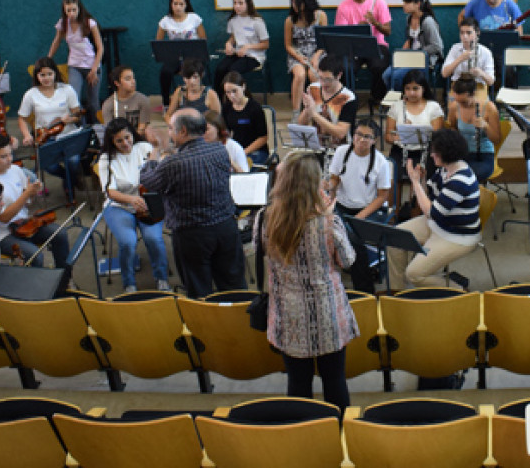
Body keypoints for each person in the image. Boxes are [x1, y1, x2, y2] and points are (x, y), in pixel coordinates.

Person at [257, 151, 358, 411]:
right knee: (334, 380)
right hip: (327, 313)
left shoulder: (264, 219)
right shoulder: (327, 222)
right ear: (315, 183)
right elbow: (348, 261)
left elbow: (263, 253)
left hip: (287, 313)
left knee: (298, 382)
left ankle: (303, 434)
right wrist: (329, 216)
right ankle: (338, 434)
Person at [140, 108, 245, 299]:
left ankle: (205, 327)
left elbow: (148, 181)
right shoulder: (220, 150)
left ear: (183, 132)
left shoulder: (173, 163)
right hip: (226, 228)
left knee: (199, 290)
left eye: (171, 128)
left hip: (192, 235)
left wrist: (156, 149)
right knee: (234, 285)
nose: (169, 132)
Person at [388, 128, 481, 290]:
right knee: (393, 239)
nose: (432, 155)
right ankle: (397, 293)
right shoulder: (446, 169)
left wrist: (415, 182)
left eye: (435, 152)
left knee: (414, 274)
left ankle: (459, 291)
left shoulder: (460, 180)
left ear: (447, 154)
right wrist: (422, 179)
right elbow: (429, 196)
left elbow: (432, 213)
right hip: (439, 225)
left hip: (457, 236)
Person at [98, 119, 170, 292]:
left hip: (148, 203)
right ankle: (129, 283)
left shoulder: (144, 148)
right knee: (128, 242)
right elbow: (110, 192)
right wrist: (131, 200)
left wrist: (157, 148)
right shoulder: (106, 159)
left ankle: (162, 278)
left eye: (127, 137)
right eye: (119, 141)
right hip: (118, 206)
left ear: (133, 135)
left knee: (154, 239)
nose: (125, 143)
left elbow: (159, 174)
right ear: (112, 142)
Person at [0, 134, 70, 270]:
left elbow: (27, 202)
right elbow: (4, 218)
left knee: (60, 234)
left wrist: (33, 194)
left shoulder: (16, 170)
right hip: (4, 234)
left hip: (25, 224)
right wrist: (27, 194)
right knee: (35, 255)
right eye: (3, 157)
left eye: (10, 154)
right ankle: (36, 287)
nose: (9, 159)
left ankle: (64, 278)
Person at [328, 120, 393, 293]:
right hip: (342, 206)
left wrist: (360, 217)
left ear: (374, 140)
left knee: (353, 239)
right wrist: (329, 189)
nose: (361, 140)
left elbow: (382, 196)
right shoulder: (341, 152)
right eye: (358, 135)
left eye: (367, 137)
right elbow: (335, 178)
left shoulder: (381, 162)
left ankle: (364, 290)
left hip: (369, 209)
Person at [18, 57, 85, 190]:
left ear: (55, 73)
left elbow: (77, 115)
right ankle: (70, 179)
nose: (46, 78)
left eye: (50, 74)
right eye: (42, 75)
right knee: (48, 165)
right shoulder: (31, 94)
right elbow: (22, 118)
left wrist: (70, 119)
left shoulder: (67, 89)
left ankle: (69, 187)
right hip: (45, 137)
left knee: (73, 161)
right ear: (37, 76)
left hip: (68, 134)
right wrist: (27, 135)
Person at [334, 0, 392, 107]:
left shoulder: (379, 3)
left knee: (380, 66)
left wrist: (375, 23)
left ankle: (377, 98)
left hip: (376, 44)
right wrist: (357, 28)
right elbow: (341, 34)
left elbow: (388, 31)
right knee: (345, 67)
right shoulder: (343, 6)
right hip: (352, 47)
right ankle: (349, 100)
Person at [48, 0, 105, 122]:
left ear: (79, 8)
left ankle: (97, 130)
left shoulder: (89, 23)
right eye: (68, 10)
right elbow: (56, 41)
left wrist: (94, 69)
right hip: (74, 65)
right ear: (64, 10)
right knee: (74, 99)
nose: (72, 13)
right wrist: (49, 58)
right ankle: (81, 129)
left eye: (74, 10)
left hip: (92, 65)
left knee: (93, 102)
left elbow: (100, 47)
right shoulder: (63, 24)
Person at [460, 0, 523, 88]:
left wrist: (514, 42)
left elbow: (519, 29)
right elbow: (462, 17)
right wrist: (465, 35)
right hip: (481, 49)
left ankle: (509, 98)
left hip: (504, 51)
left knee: (508, 67)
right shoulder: (474, 4)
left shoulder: (510, 5)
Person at [385, 69, 446, 172]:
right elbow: (387, 136)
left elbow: (437, 136)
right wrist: (398, 137)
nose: (411, 93)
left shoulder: (433, 107)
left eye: (415, 88)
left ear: (424, 89)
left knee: (422, 178)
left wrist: (411, 131)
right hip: (401, 150)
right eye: (407, 89)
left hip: (426, 150)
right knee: (392, 177)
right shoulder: (396, 106)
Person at [382, 0, 442, 92]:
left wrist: (418, 53)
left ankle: (403, 100)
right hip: (410, 57)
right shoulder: (409, 18)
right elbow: (412, 39)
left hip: (425, 59)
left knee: (396, 76)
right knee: (386, 75)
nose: (404, 5)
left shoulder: (427, 22)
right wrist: (407, 46)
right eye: (404, 2)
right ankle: (395, 99)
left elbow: (437, 46)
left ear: (418, 4)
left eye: (407, 2)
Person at [213, 0, 270, 95]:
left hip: (254, 56)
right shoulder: (233, 21)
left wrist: (248, 47)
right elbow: (233, 37)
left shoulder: (257, 21)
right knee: (220, 68)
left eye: (240, 3)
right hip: (238, 53)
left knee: (233, 70)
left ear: (248, 3)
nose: (237, 6)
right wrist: (229, 43)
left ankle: (241, 98)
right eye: (235, 3)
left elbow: (266, 44)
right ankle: (219, 99)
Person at [445, 77, 501, 184]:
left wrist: (486, 126)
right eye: (458, 101)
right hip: (463, 153)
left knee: (468, 175)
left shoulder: (489, 108)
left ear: (473, 94)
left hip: (483, 154)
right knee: (444, 173)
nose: (461, 105)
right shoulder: (454, 107)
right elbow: (453, 128)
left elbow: (496, 139)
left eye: (464, 102)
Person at [155, 0, 206, 109]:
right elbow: (159, 43)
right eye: (175, 4)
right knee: (165, 72)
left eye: (181, 4)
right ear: (171, 5)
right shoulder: (165, 21)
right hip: (175, 57)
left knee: (193, 71)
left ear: (186, 5)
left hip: (193, 57)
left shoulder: (194, 18)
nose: (178, 7)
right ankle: (166, 103)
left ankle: (199, 100)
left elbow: (203, 39)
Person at [284, 0, 328, 112]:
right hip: (298, 53)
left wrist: (316, 56)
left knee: (313, 74)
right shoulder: (290, 20)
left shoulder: (321, 16)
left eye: (296, 2)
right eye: (292, 2)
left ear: (306, 2)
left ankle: (318, 109)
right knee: (300, 75)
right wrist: (299, 57)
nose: (294, 5)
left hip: (317, 52)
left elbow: (324, 42)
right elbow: (288, 45)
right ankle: (296, 112)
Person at [297, 55, 359, 144]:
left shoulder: (348, 98)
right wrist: (307, 109)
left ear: (339, 75)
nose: (323, 83)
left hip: (340, 149)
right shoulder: (313, 89)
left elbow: (340, 133)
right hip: (317, 145)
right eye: (320, 78)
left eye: (328, 79)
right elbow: (301, 124)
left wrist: (314, 114)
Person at [221, 71, 269, 165]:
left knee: (244, 167)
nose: (232, 96)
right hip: (237, 148)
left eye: (234, 91)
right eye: (228, 92)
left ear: (243, 87)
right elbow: (226, 132)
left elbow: (263, 138)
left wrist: (243, 152)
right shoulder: (226, 107)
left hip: (256, 151)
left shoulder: (255, 108)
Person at [100, 65, 152, 140]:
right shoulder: (108, 104)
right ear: (117, 83)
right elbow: (110, 132)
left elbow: (142, 129)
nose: (133, 81)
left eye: (133, 78)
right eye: (128, 79)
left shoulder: (143, 100)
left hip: (139, 141)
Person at [441, 17, 496, 87]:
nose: (465, 36)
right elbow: (444, 74)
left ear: (477, 32)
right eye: (462, 33)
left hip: (478, 85)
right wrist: (460, 59)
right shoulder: (455, 48)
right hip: (458, 85)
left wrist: (481, 73)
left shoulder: (486, 52)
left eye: (469, 33)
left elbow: (491, 82)